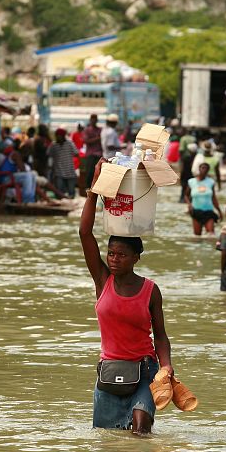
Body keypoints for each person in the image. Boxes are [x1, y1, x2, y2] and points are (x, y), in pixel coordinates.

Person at [79, 160, 173, 435]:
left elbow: (161, 335)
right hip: (110, 372)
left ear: (136, 258)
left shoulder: (150, 290)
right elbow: (85, 233)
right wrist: (95, 190)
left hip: (145, 371)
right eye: (111, 254)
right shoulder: (102, 280)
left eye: (121, 255)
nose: (114, 259)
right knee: (109, 439)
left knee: (140, 429)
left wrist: (166, 366)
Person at [185, 162, 222, 235]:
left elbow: (214, 198)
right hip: (196, 212)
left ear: (208, 170)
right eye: (202, 168)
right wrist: (189, 205)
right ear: (199, 169)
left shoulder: (211, 182)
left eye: (206, 168)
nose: (204, 170)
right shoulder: (191, 182)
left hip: (208, 212)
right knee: (197, 236)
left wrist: (219, 211)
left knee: (211, 234)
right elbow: (186, 195)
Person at [48, 128, 78, 198]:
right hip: (59, 172)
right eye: (57, 136)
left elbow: (76, 153)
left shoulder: (70, 143)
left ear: (63, 136)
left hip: (70, 171)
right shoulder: (53, 145)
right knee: (59, 192)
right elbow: (49, 155)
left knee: (71, 193)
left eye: (60, 135)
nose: (59, 137)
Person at [82, 115, 103, 190]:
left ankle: (96, 189)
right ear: (90, 120)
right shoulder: (87, 130)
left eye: (95, 120)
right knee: (90, 172)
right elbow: (86, 141)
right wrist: (97, 138)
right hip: (91, 154)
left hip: (99, 154)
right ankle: (88, 188)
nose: (94, 121)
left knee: (98, 172)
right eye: (92, 119)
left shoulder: (100, 129)